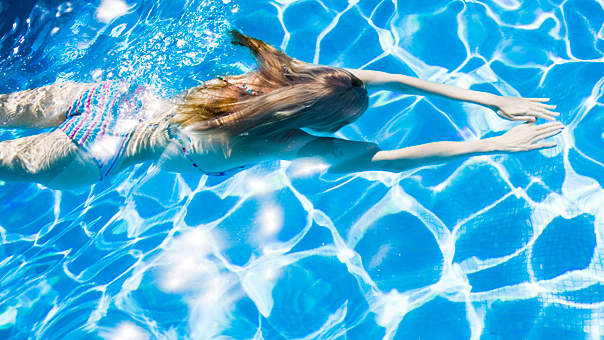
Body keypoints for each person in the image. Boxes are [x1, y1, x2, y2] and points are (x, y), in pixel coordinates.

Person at [0, 31, 563, 189]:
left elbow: (391, 75)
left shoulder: (277, 77)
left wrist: (492, 99)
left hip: (110, 102)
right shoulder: (286, 141)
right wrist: (488, 142)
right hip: (93, 153)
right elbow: (393, 158)